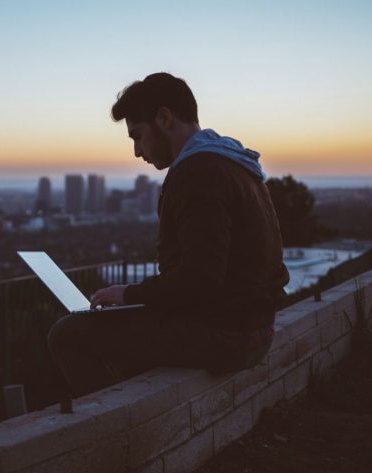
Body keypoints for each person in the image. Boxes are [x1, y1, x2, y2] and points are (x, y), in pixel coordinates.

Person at [47, 72, 290, 397]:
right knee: (125, 331)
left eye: (138, 136)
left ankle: (120, 429)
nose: (137, 151)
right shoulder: (235, 163)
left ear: (164, 118)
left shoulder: (198, 172)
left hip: (229, 336)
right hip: (254, 328)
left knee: (67, 335)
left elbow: (200, 279)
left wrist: (130, 295)